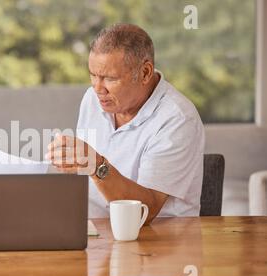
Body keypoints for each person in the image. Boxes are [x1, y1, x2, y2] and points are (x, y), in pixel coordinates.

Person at [46, 23, 205, 224]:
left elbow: (145, 210)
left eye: (110, 78)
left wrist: (97, 166)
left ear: (145, 73)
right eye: (93, 75)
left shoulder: (178, 119)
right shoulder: (92, 99)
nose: (97, 88)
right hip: (96, 233)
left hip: (158, 241)